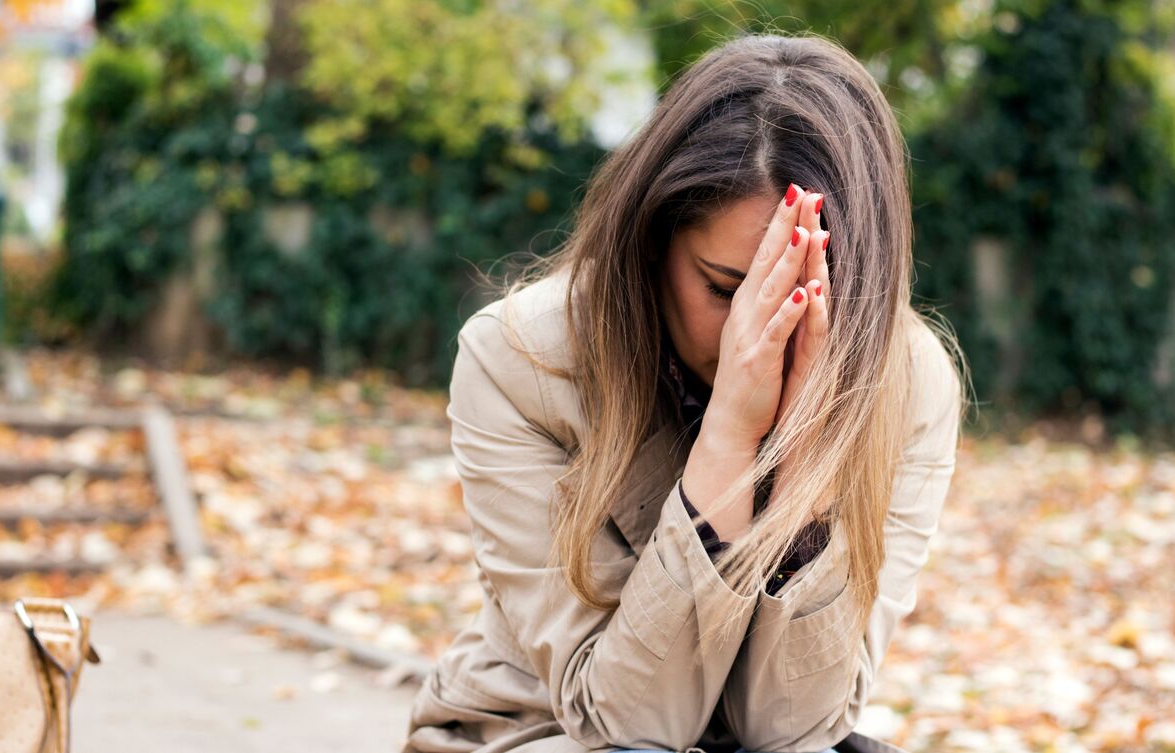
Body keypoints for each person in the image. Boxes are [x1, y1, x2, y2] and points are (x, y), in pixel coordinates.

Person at [402, 30, 969, 753]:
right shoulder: (520, 360)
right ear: (653, 237)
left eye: (805, 300)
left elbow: (793, 728)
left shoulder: (908, 382)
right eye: (726, 288)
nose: (755, 336)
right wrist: (730, 435)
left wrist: (808, 459)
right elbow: (624, 724)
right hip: (539, 729)